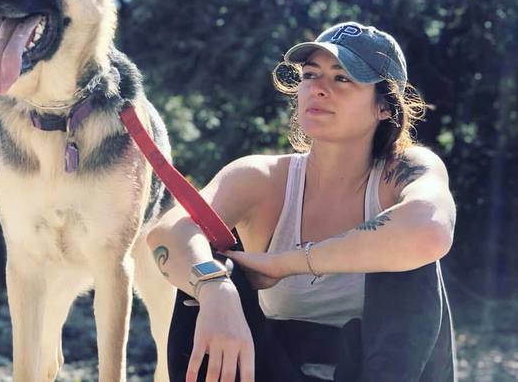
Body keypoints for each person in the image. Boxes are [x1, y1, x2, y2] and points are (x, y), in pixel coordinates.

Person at [147, 21, 457, 382]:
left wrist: (285, 264)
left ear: (384, 107)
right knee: (204, 268)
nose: (319, 88)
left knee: (411, 258)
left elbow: (430, 230)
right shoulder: (261, 178)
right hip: (278, 368)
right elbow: (168, 232)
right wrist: (214, 288)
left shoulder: (403, 171)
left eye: (342, 78)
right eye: (311, 75)